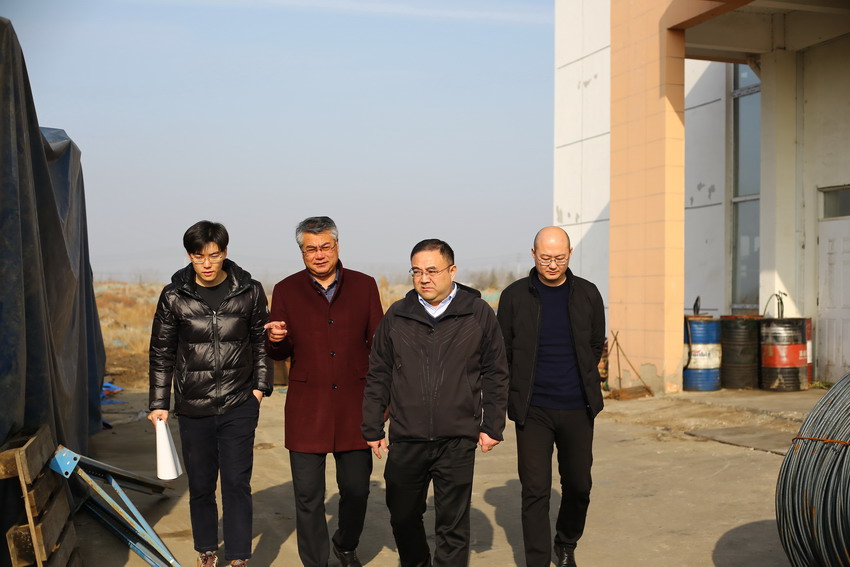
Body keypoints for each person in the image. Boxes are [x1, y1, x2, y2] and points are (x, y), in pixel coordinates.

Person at [362, 238, 509, 567]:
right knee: (402, 515)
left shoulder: (477, 313)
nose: (424, 278)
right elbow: (379, 372)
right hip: (407, 436)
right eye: (416, 271)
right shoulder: (398, 315)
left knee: (452, 525)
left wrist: (492, 425)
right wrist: (372, 425)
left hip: (457, 437)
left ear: (452, 271)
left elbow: (496, 372)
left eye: (432, 270)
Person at [148, 220, 272, 567]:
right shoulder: (174, 295)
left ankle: (238, 557)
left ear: (225, 253)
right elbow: (161, 352)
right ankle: (206, 550)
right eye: (198, 256)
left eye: (214, 255)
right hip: (193, 406)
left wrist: (259, 390)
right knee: (201, 485)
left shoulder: (249, 291)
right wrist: (159, 403)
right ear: (189, 255)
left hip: (239, 403)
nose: (206, 263)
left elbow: (261, 343)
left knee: (236, 482)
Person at [265, 216, 382, 567]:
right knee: (308, 496)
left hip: (354, 407)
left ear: (337, 246)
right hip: (307, 408)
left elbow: (379, 347)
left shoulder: (364, 285)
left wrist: (381, 404)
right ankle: (316, 561)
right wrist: (276, 339)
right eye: (310, 249)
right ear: (302, 252)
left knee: (357, 490)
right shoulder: (286, 289)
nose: (319, 254)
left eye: (325, 247)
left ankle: (345, 544)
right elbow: (278, 353)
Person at [496, 226, 605, 567]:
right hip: (534, 409)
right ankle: (538, 561)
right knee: (535, 490)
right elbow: (503, 351)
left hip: (577, 406)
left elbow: (594, 344)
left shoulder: (588, 293)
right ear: (533, 254)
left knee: (579, 485)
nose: (553, 265)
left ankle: (566, 542)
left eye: (559, 258)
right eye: (545, 258)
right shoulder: (514, 296)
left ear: (570, 254)